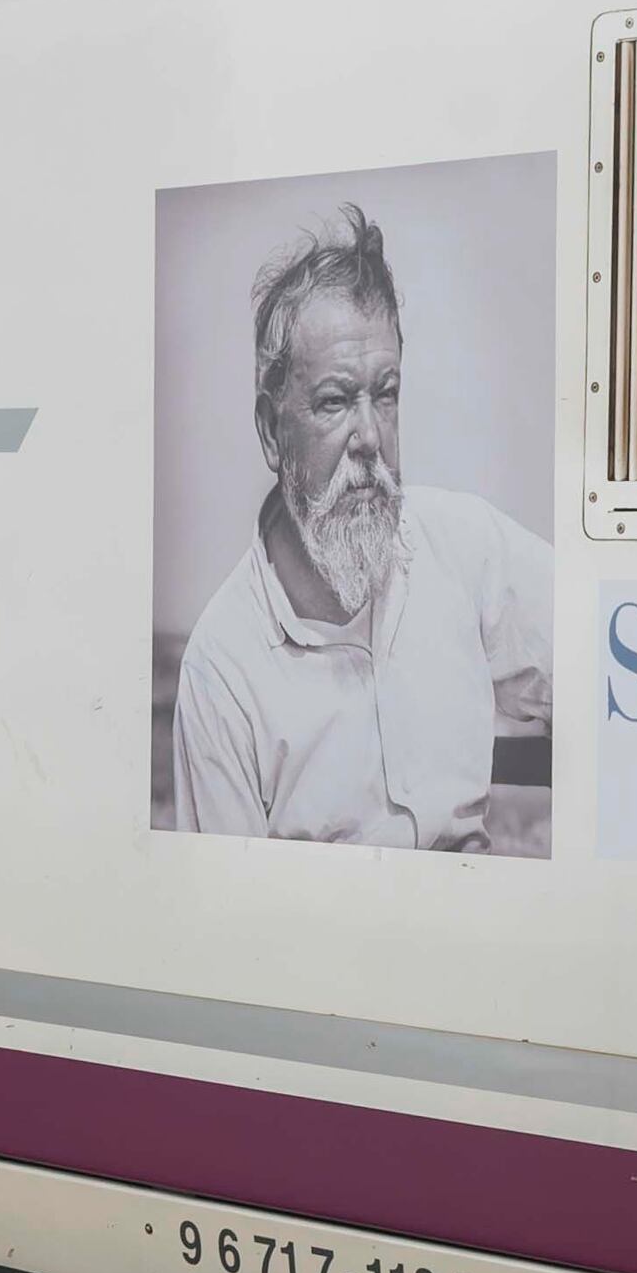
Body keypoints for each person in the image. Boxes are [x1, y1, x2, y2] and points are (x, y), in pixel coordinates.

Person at [169, 202, 551, 852]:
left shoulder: (464, 546)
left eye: (387, 392)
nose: (371, 436)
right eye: (336, 401)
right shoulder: (222, 669)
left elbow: (617, 658)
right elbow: (231, 930)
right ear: (271, 428)